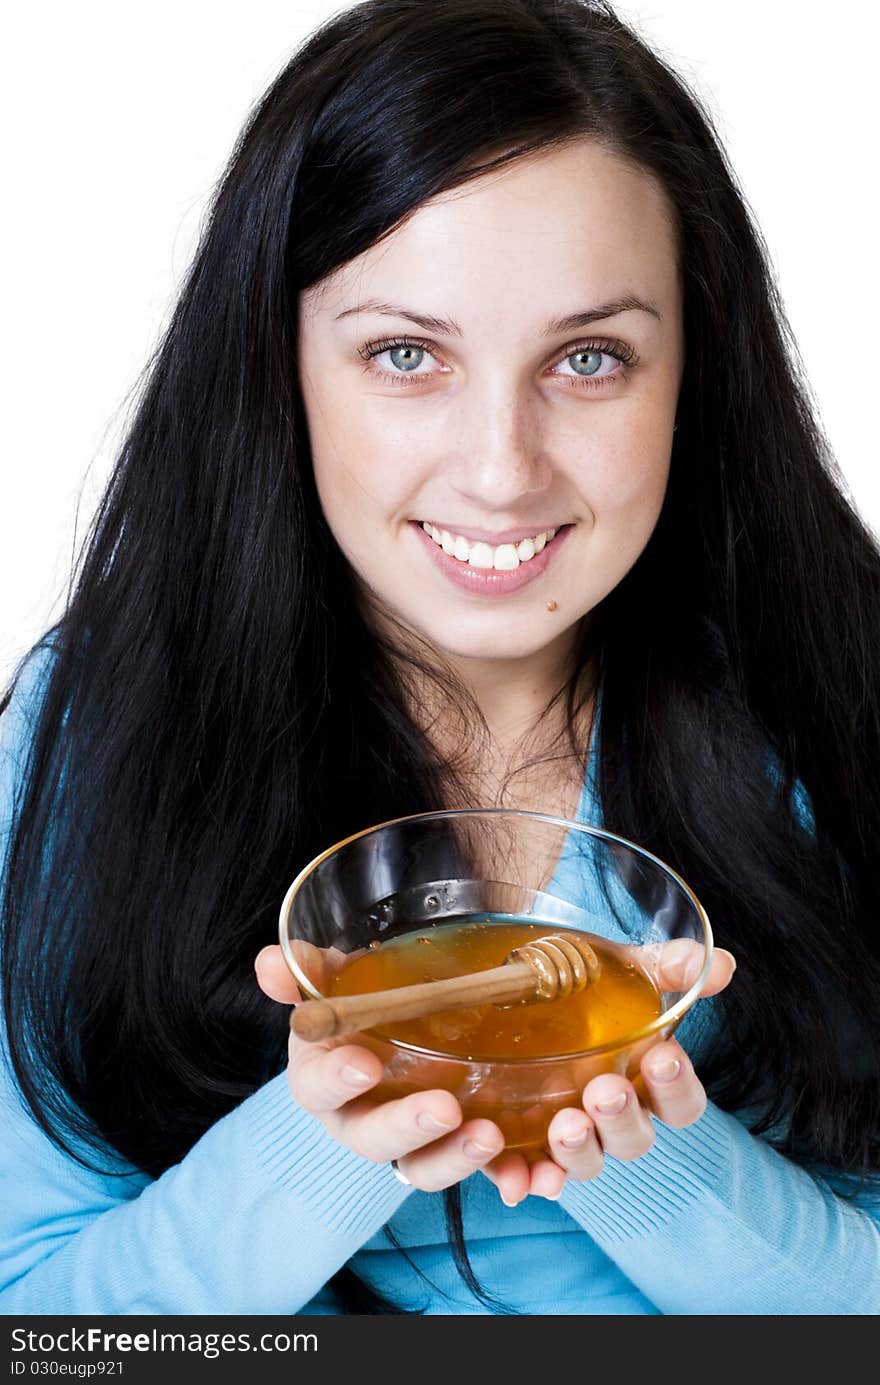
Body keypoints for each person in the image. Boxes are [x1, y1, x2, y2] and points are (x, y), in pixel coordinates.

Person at [1, 0, 878, 1317]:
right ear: (277, 360)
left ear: (696, 365)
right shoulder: (96, 721)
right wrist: (326, 1136)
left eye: (591, 359)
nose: (498, 469)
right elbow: (49, 1327)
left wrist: (647, 1145)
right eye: (406, 354)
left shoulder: (841, 696)